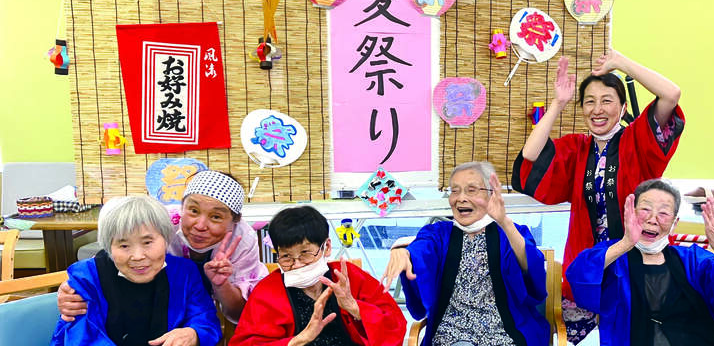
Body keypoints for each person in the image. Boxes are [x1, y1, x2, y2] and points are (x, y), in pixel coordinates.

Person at [511, 51, 684, 341]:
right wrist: (558, 103)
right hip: (588, 268)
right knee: (567, 335)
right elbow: (530, 156)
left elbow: (671, 94)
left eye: (607, 100)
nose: (597, 109)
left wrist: (623, 63)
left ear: (623, 106)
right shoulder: (577, 149)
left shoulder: (638, 140)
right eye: (589, 101)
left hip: (639, 266)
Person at [59, 170, 270, 323]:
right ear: (182, 206)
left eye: (215, 216)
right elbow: (110, 259)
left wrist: (221, 284)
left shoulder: (242, 239)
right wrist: (73, 289)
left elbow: (240, 314)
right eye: (193, 210)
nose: (200, 225)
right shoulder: (160, 222)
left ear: (234, 221)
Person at [565, 179, 714, 346]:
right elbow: (580, 275)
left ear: (675, 222)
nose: (652, 219)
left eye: (663, 213)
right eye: (645, 209)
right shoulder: (614, 256)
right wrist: (625, 243)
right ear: (630, 213)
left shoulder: (692, 259)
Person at [381, 162, 549, 346]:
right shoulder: (438, 233)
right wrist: (406, 254)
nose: (460, 198)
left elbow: (531, 269)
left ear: (490, 194)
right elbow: (422, 247)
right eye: (455, 190)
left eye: (471, 190)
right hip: (451, 332)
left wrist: (504, 222)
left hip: (504, 330)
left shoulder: (511, 232)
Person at [51, 195, 221, 346]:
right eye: (124, 245)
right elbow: (81, 338)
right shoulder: (87, 278)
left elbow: (205, 320)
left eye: (147, 242)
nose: (138, 256)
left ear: (166, 239)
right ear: (109, 246)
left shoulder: (184, 272)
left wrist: (193, 334)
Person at [230, 205, 405, 346]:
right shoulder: (268, 291)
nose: (296, 264)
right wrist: (298, 340)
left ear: (327, 247)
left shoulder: (349, 276)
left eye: (305, 253)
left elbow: (395, 326)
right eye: (286, 257)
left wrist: (355, 308)